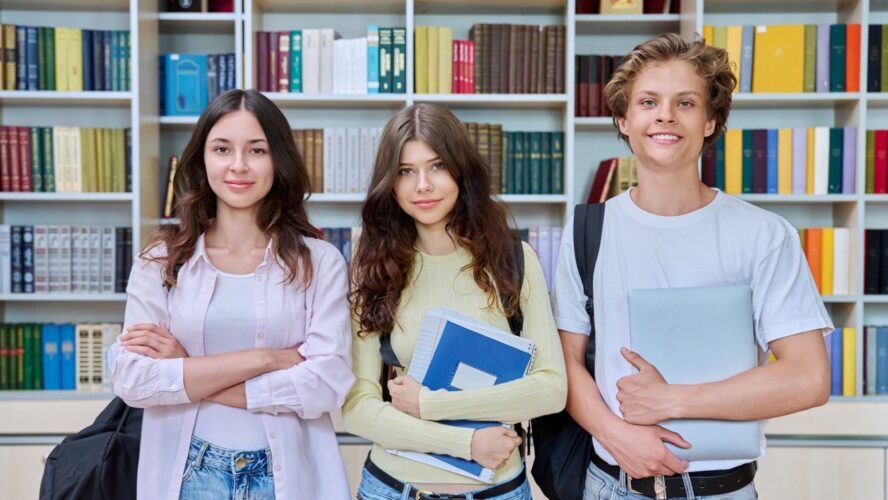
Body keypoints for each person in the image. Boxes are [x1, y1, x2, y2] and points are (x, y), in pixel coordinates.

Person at [551, 33, 832, 500]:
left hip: (724, 490)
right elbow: (565, 362)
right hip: (611, 485)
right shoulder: (587, 231)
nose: (665, 115)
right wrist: (618, 436)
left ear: (710, 121)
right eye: (648, 101)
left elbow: (809, 377)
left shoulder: (763, 234)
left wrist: (672, 399)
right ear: (624, 120)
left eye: (686, 102)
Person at [109, 89, 355, 499]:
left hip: (284, 475)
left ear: (278, 159)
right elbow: (133, 379)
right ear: (202, 158)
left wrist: (188, 368)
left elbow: (326, 385)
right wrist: (265, 359)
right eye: (222, 148)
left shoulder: (320, 262)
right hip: (190, 472)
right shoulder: (162, 260)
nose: (238, 165)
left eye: (256, 150)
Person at [343, 103, 567, 500]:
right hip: (393, 488)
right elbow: (357, 405)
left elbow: (551, 390)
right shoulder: (372, 264)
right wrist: (465, 444)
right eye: (405, 172)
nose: (423, 185)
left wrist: (429, 404)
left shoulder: (515, 259)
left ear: (462, 171)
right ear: (389, 183)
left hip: (497, 491)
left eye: (438, 166)